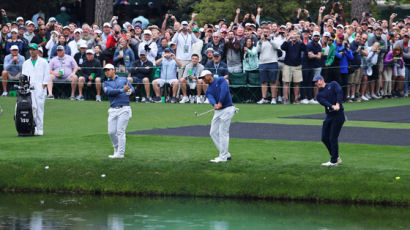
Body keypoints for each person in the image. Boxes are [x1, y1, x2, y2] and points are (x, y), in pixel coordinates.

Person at [199, 70, 236, 163]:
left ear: (209, 75)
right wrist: (215, 104)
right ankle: (226, 154)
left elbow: (224, 90)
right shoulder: (208, 90)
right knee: (213, 132)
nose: (203, 80)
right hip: (218, 111)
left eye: (204, 77)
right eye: (202, 78)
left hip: (228, 108)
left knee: (223, 132)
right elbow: (211, 98)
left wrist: (220, 102)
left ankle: (223, 157)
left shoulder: (221, 80)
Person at [102, 63, 135, 159]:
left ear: (113, 70)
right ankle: (116, 150)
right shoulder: (105, 83)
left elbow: (131, 88)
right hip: (113, 109)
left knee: (120, 131)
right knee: (111, 132)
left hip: (124, 108)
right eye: (105, 70)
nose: (106, 72)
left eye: (108, 70)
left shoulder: (123, 79)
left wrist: (129, 91)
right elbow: (109, 92)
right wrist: (122, 90)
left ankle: (120, 153)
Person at [313, 75, 344, 166]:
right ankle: (336, 157)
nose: (316, 83)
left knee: (333, 138)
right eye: (315, 82)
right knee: (324, 138)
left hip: (338, 115)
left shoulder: (333, 84)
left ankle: (333, 161)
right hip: (329, 115)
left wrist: (338, 103)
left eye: (317, 81)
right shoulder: (319, 95)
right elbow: (324, 102)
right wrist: (332, 106)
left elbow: (339, 92)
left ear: (322, 80)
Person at [22, 43, 50, 136]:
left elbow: (46, 76)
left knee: (39, 109)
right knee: (30, 109)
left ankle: (40, 129)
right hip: (29, 89)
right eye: (30, 49)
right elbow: (24, 77)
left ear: (37, 51)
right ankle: (32, 128)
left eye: (33, 49)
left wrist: (43, 87)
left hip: (39, 88)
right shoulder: (26, 63)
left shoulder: (44, 62)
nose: (32, 51)